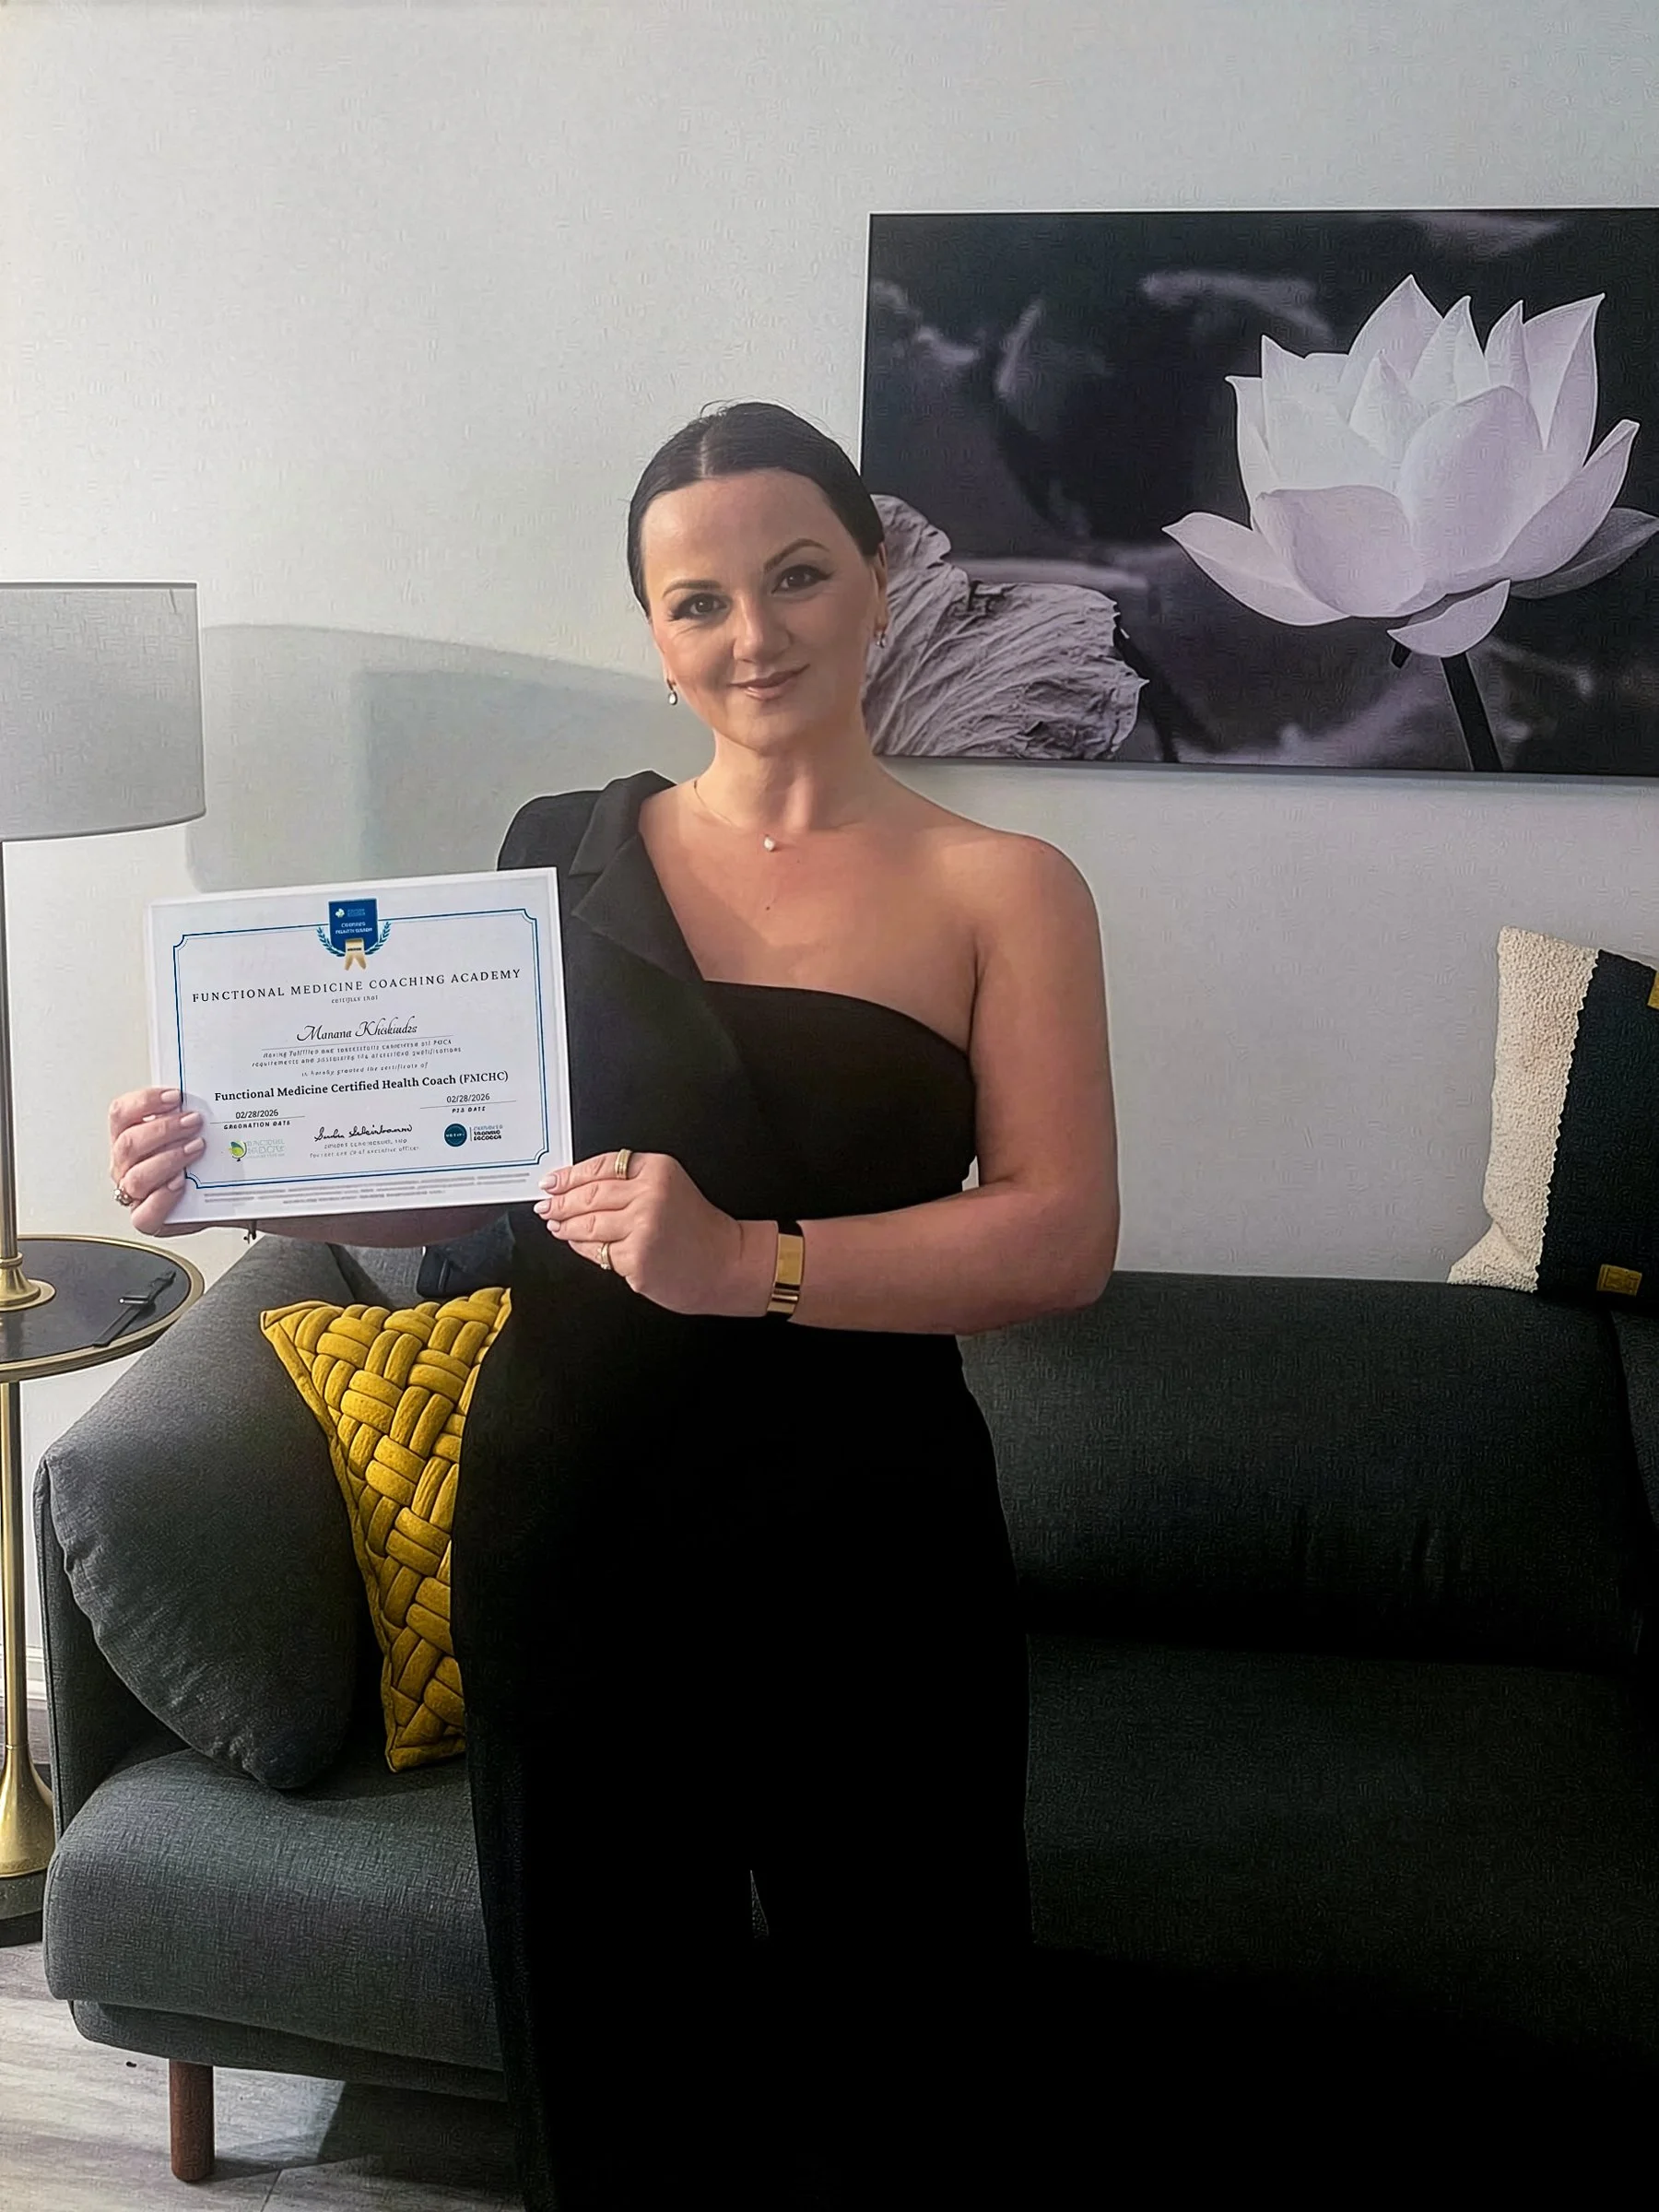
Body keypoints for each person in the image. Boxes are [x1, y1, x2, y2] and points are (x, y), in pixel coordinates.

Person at [107, 399, 1120, 2210]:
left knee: (915, 2027)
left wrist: (757, 1264)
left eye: (799, 575)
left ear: (878, 586)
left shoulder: (1008, 888)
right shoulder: (560, 855)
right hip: (575, 1523)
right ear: (655, 642)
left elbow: (1058, 1240)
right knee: (601, 2034)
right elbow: (467, 1175)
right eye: (699, 601)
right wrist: (239, 1169)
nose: (757, 632)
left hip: (871, 1541)